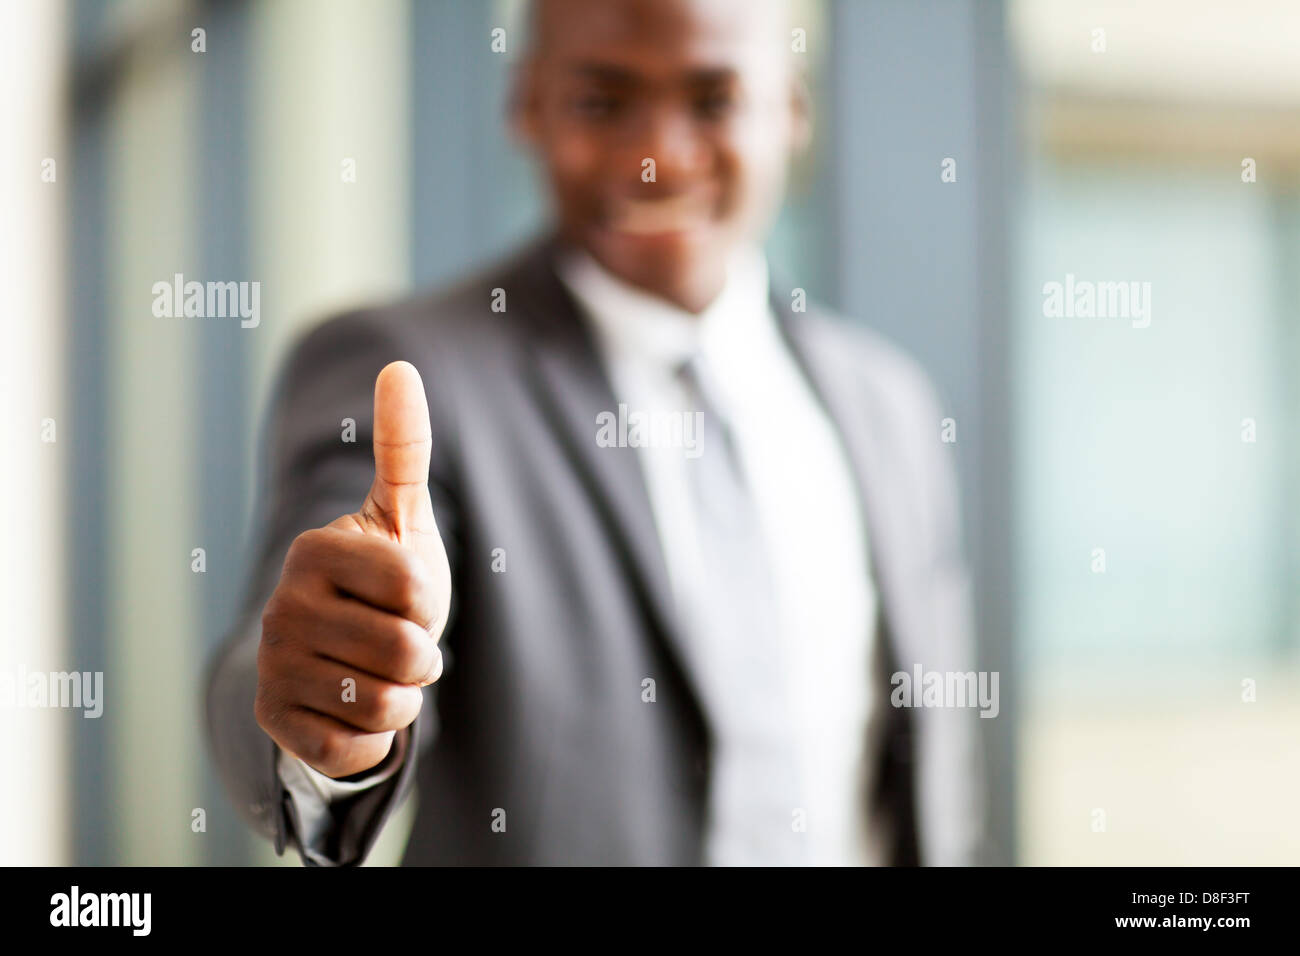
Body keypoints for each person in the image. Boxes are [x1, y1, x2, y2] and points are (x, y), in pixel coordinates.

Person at [205, 0, 984, 866]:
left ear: (792, 108)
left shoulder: (888, 404)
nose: (659, 156)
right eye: (601, 102)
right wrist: (324, 705)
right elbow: (278, 655)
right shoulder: (412, 373)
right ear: (527, 105)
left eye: (714, 99)